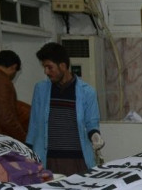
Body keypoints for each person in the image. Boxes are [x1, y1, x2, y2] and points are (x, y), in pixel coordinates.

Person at [27, 42, 103, 175]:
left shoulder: (88, 92)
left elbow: (92, 122)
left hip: (77, 160)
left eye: (50, 67)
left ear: (62, 66)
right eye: (45, 67)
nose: (46, 72)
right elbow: (34, 124)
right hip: (48, 160)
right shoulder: (40, 89)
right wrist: (28, 151)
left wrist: (95, 135)